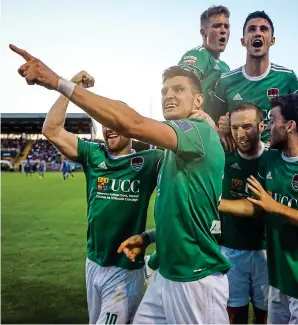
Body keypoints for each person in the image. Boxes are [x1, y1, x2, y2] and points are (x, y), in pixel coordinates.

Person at [11, 44, 231, 324]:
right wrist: (149, 237)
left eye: (178, 90)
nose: (168, 96)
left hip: (194, 277)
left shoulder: (192, 136)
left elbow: (132, 124)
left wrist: (59, 82)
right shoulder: (166, 152)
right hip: (163, 271)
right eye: (164, 91)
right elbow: (179, 212)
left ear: (199, 101)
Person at [41, 70, 163, 324]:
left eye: (116, 121)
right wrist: (69, 86)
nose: (109, 128)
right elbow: (51, 130)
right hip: (93, 263)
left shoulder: (151, 160)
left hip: (125, 268)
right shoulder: (93, 154)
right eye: (105, 122)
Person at [219, 94, 298, 324]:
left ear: (289, 126)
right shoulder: (272, 159)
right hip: (279, 280)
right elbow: (256, 199)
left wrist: (276, 208)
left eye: (271, 120)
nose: (267, 126)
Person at [212, 11, 298, 143]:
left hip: (275, 159)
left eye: (264, 29)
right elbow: (213, 121)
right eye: (251, 29)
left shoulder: (288, 78)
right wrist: (221, 129)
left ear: (272, 40)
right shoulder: (226, 81)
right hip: (238, 160)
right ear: (243, 41)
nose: (258, 33)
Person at [219, 102, 269, 324]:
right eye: (235, 127)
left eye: (247, 126)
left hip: (267, 251)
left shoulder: (275, 159)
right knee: (233, 315)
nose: (241, 134)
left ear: (261, 126)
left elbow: (259, 209)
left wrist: (214, 203)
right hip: (231, 249)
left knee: (266, 315)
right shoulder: (223, 158)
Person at [179, 5, 230, 116]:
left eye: (226, 26)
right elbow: (181, 90)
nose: (223, 31)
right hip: (196, 125)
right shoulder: (197, 55)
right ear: (203, 32)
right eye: (217, 26)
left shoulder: (225, 67)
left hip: (215, 128)